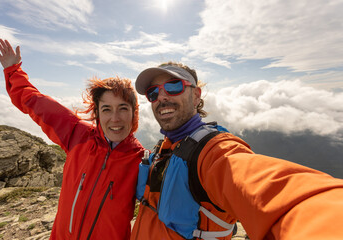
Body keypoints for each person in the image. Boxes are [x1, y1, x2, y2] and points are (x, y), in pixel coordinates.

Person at [131, 61, 343, 240]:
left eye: (174, 86)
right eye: (153, 93)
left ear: (196, 95)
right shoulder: (165, 148)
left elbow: (274, 190)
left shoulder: (214, 151)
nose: (162, 97)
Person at [0, 39, 145, 240]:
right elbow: (35, 102)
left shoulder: (142, 160)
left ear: (134, 113)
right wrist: (13, 70)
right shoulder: (77, 135)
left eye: (123, 109)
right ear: (97, 114)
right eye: (106, 109)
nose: (115, 118)